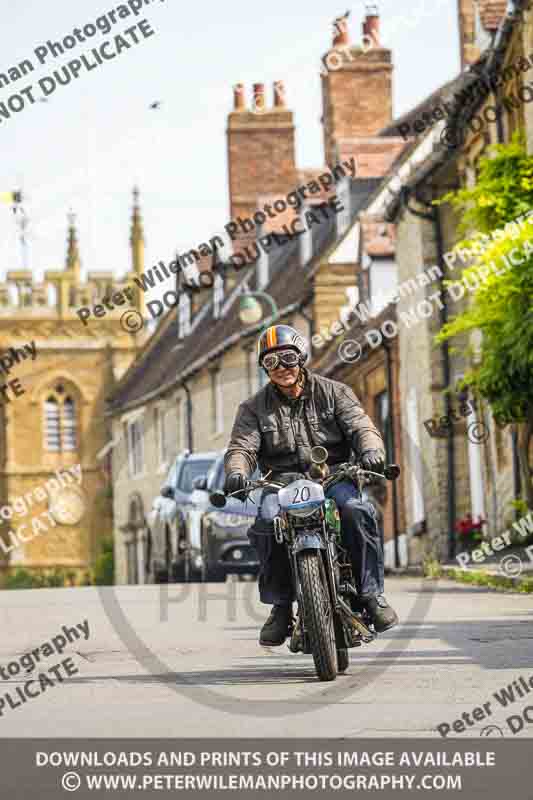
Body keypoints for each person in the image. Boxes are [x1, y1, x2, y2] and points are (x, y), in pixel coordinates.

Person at [223, 324, 398, 646]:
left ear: (301, 358)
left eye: (287, 358)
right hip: (281, 483)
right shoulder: (252, 408)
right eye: (271, 363)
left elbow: (362, 427)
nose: (281, 369)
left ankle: (372, 596)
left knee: (357, 511)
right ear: (264, 369)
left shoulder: (335, 392)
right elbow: (242, 448)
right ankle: (280, 606)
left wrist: (372, 451)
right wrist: (236, 472)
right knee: (265, 524)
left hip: (332, 476)